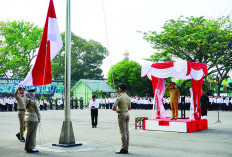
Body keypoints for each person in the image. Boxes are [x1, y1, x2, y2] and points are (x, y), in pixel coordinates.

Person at [113, 83, 131, 154]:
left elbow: (113, 108)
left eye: (119, 88)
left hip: (121, 114)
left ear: (120, 89)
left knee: (123, 132)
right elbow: (130, 108)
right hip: (127, 114)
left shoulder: (119, 97)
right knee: (127, 132)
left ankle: (123, 149)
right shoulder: (127, 97)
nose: (118, 89)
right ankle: (126, 148)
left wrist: (117, 109)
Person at [24, 89, 41, 153]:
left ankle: (27, 147)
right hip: (33, 119)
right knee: (33, 134)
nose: (34, 94)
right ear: (32, 94)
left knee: (28, 134)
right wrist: (39, 119)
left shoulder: (26, 100)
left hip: (27, 118)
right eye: (34, 93)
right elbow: (37, 111)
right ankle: (31, 148)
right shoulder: (33, 101)